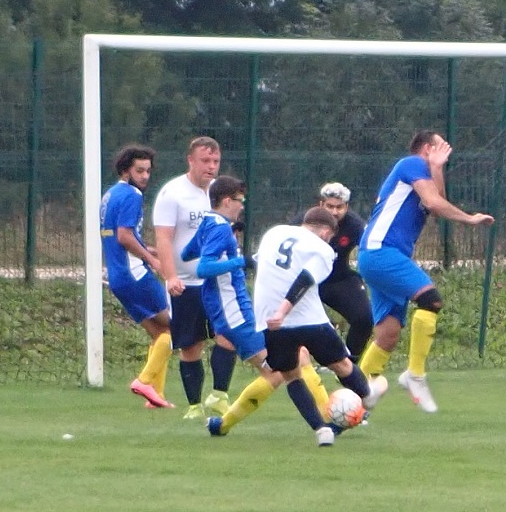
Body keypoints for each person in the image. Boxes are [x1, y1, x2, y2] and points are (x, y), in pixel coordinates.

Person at [184, 185, 374, 447]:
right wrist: (244, 265)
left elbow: (192, 255)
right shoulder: (222, 228)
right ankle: (350, 408)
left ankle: (321, 427)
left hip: (256, 315)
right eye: (239, 200)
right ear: (326, 232)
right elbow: (303, 279)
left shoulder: (270, 232)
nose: (242, 205)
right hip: (247, 313)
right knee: (297, 370)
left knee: (291, 369)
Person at [356, 130, 494, 413]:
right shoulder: (411, 163)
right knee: (431, 300)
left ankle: (355, 401)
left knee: (388, 335)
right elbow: (433, 202)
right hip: (381, 251)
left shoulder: (424, 173)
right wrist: (469, 219)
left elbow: (437, 200)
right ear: (426, 149)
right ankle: (415, 375)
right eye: (440, 145)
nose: (446, 149)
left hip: (380, 255)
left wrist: (438, 168)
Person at [153, 136, 236, 419]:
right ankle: (194, 406)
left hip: (217, 281)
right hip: (186, 283)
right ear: (190, 160)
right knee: (191, 345)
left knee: (228, 335)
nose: (211, 166)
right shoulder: (173, 193)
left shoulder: (221, 193)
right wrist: (170, 276)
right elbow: (164, 239)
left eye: (215, 161)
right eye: (205, 161)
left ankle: (220, 395)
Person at [100, 144, 175, 408]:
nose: (145, 176)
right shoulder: (132, 195)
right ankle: (144, 381)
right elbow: (124, 236)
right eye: (139, 171)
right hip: (134, 274)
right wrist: (152, 260)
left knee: (160, 334)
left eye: (148, 171)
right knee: (175, 328)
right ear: (125, 170)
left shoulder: (110, 195)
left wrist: (149, 249)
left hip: (118, 277)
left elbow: (119, 236)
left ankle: (155, 397)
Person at [291, 182, 372, 360]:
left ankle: (350, 365)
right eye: (330, 206)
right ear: (321, 204)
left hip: (338, 279)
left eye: (339, 207)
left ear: (347, 207)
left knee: (364, 319)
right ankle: (298, 364)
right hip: (307, 281)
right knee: (299, 326)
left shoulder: (354, 225)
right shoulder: (304, 222)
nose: (334, 212)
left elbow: (370, 250)